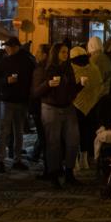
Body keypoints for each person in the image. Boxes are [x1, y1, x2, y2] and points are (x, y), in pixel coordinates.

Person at [34, 43, 80, 188]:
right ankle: (54, 174)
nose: (66, 55)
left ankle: (69, 173)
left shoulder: (68, 68)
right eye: (63, 52)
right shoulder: (44, 68)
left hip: (68, 107)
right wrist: (48, 84)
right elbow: (35, 92)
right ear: (56, 53)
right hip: (51, 108)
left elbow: (72, 88)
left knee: (73, 140)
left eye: (67, 52)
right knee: (53, 143)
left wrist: (80, 86)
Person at [0, 37, 34, 173]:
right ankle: (1, 160)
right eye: (6, 47)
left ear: (16, 47)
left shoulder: (27, 61)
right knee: (5, 131)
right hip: (7, 100)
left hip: (20, 101)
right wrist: (6, 80)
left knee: (18, 132)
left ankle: (16, 159)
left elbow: (31, 80)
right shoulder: (4, 61)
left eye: (9, 47)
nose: (7, 49)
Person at [69, 45, 104, 172]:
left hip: (74, 106)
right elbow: (99, 86)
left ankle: (76, 161)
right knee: (86, 133)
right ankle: (84, 159)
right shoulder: (94, 68)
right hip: (92, 106)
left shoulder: (71, 68)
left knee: (74, 134)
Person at [28, 44, 50, 165]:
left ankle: (46, 162)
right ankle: (36, 154)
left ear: (44, 55)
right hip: (41, 106)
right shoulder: (44, 67)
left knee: (43, 134)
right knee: (43, 133)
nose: (36, 54)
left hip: (39, 106)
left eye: (38, 52)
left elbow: (36, 92)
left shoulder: (41, 69)